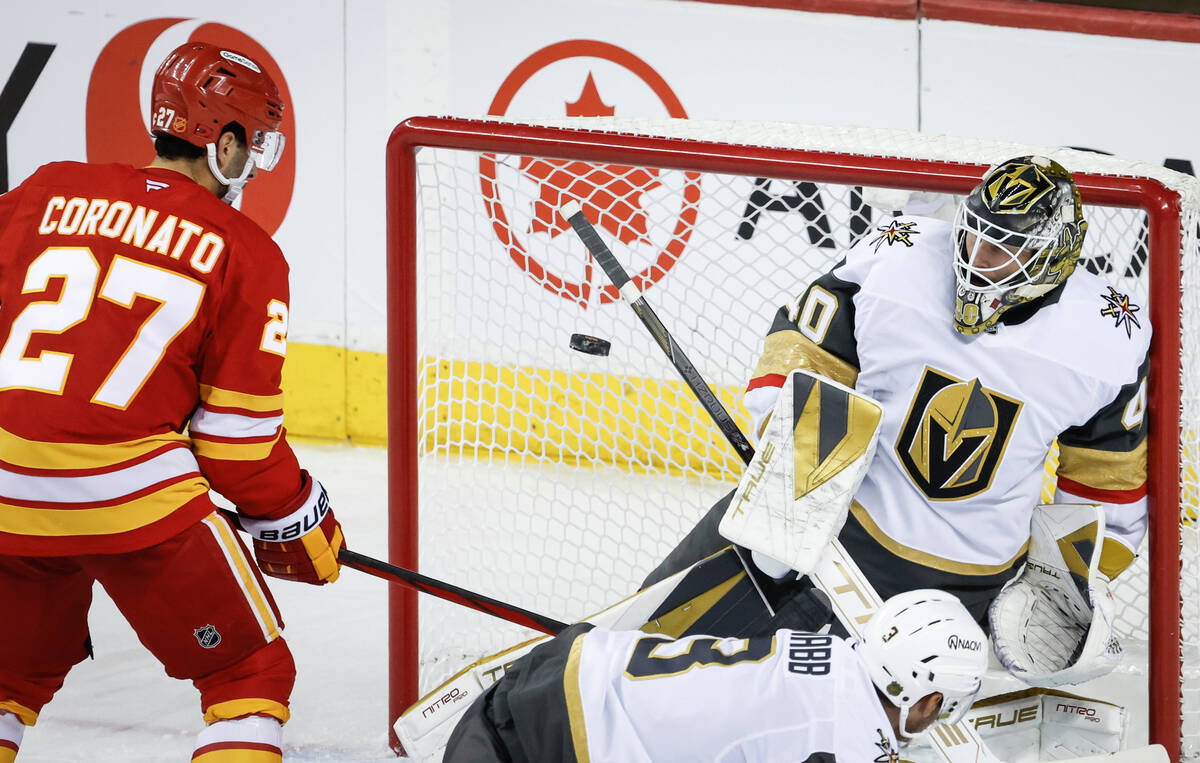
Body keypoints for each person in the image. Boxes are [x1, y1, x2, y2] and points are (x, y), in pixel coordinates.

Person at [0, 42, 345, 762]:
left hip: (3, 488)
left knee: (5, 680)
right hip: (129, 499)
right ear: (222, 142)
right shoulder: (246, 250)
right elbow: (234, 446)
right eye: (250, 144)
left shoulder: (43, 190)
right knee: (245, 673)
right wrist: (297, 515)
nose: (252, 164)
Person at [642, 155, 1150, 636]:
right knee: (648, 628)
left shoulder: (1107, 336)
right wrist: (786, 449)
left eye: (1001, 248)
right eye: (972, 237)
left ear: (1053, 255)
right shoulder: (898, 257)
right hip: (830, 522)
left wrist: (1059, 588)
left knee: (802, 699)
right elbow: (805, 347)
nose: (975, 258)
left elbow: (1107, 487)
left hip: (963, 587)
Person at [442, 588, 988, 763]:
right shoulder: (848, 742)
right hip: (541, 745)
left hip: (562, 669)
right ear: (930, 700)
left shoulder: (831, 654)